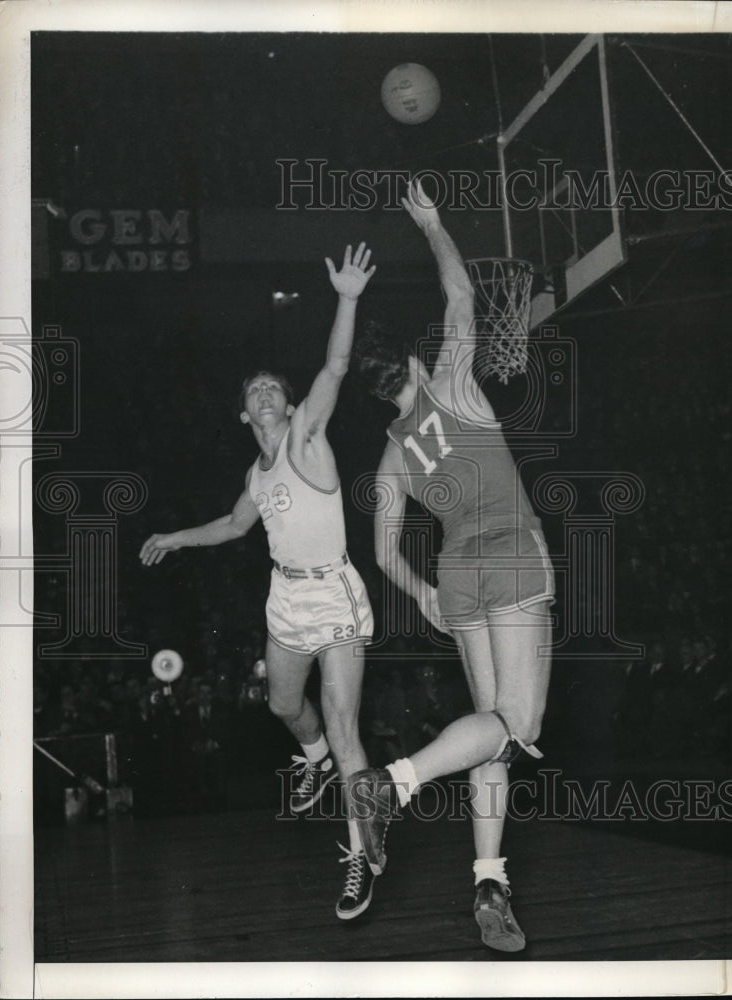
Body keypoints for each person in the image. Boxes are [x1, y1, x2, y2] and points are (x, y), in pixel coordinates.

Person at [140, 243, 378, 920]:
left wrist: (349, 297)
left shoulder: (307, 435)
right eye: (255, 391)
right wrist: (173, 537)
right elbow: (233, 525)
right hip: (286, 596)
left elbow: (334, 366)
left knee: (343, 726)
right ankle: (312, 758)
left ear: (287, 402)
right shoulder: (256, 475)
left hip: (332, 592)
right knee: (283, 707)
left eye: (274, 386)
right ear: (246, 414)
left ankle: (359, 854)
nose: (267, 392)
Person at [350, 181, 554, 952]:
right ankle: (393, 784)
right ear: (409, 361)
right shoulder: (454, 385)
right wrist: (432, 224)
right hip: (508, 555)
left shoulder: (392, 454)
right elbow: (461, 289)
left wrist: (424, 592)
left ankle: (489, 883)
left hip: (458, 577)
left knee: (491, 735)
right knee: (522, 725)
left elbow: (379, 551)